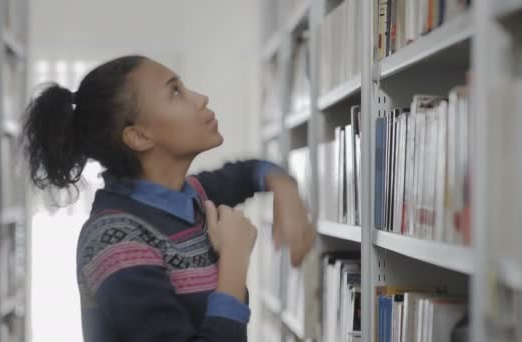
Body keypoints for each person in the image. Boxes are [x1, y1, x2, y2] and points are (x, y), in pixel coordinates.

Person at [22, 55, 316, 342]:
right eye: (175, 92)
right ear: (139, 137)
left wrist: (286, 192)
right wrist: (234, 261)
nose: (201, 98)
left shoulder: (193, 196)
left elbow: (251, 171)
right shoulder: (116, 242)